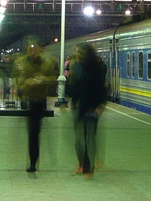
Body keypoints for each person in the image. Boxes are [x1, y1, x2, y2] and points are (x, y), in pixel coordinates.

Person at [13, 37, 58, 173]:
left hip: (38, 100)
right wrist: (21, 85)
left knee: (34, 132)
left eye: (35, 48)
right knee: (32, 132)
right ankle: (32, 161)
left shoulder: (48, 63)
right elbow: (15, 78)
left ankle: (33, 162)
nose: (32, 51)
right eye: (30, 48)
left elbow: (54, 79)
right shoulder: (19, 62)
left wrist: (44, 80)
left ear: (40, 49)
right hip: (25, 99)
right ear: (27, 49)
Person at [67, 43, 107, 177]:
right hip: (80, 105)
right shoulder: (76, 66)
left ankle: (89, 167)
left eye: (79, 52)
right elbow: (75, 85)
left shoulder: (98, 67)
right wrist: (72, 101)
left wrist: (101, 105)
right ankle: (82, 164)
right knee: (79, 138)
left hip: (92, 105)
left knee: (89, 138)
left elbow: (101, 87)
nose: (77, 55)